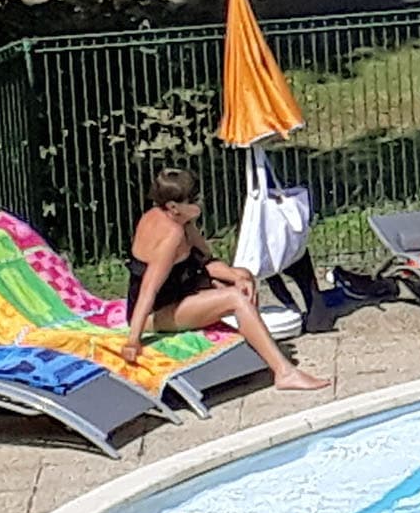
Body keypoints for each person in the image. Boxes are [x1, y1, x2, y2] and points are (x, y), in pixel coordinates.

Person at [122, 168, 326, 391]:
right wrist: (133, 340)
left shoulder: (179, 222)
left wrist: (236, 276)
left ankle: (254, 347)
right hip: (154, 312)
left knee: (243, 278)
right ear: (174, 206)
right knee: (235, 298)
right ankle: (284, 372)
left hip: (178, 291)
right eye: (195, 199)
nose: (201, 203)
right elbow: (148, 290)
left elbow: (206, 262)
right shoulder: (172, 234)